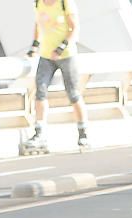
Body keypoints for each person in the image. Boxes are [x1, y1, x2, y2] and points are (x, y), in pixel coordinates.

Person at [22, 0, 88, 152]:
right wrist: (34, 46)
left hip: (66, 55)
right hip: (46, 55)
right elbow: (38, 24)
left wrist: (61, 48)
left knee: (73, 93)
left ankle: (83, 132)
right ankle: (39, 133)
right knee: (40, 92)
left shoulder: (65, 2)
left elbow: (74, 28)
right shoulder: (39, 2)